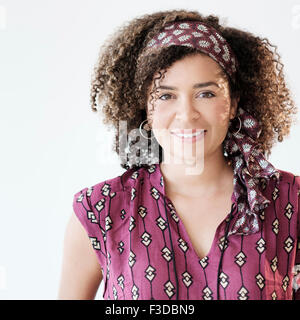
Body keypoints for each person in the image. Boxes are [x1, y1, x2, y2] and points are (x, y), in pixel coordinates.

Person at [58, 9, 300, 300]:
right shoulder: (101, 209)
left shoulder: (290, 201)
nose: (186, 114)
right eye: (165, 95)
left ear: (234, 103)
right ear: (145, 107)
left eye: (206, 93)